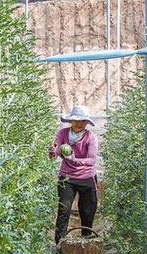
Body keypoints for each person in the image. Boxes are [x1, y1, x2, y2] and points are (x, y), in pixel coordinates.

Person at [48, 105, 99, 245]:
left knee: (88, 211)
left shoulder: (91, 137)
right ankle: (59, 244)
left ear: (86, 123)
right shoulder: (63, 133)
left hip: (87, 178)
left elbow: (91, 160)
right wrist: (53, 152)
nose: (79, 123)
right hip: (67, 177)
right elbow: (56, 149)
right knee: (64, 210)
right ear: (71, 121)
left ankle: (86, 241)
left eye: (83, 120)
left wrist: (74, 160)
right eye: (76, 120)